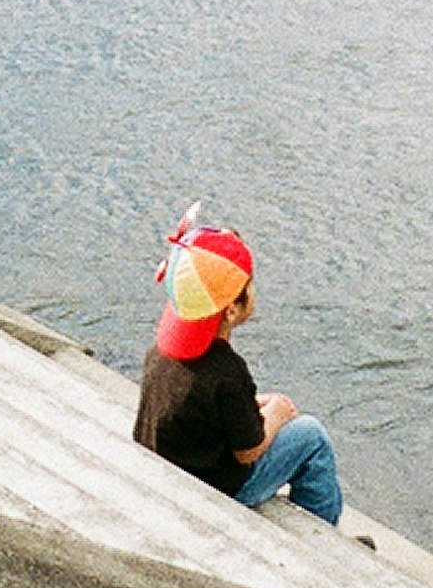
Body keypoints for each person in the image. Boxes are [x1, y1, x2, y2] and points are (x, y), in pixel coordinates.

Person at [132, 218, 345, 528]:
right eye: (250, 287)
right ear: (232, 309)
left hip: (171, 470)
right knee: (311, 437)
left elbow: (197, 407)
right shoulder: (227, 371)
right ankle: (324, 531)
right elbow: (247, 452)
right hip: (216, 488)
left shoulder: (162, 352)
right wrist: (277, 413)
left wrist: (252, 405)